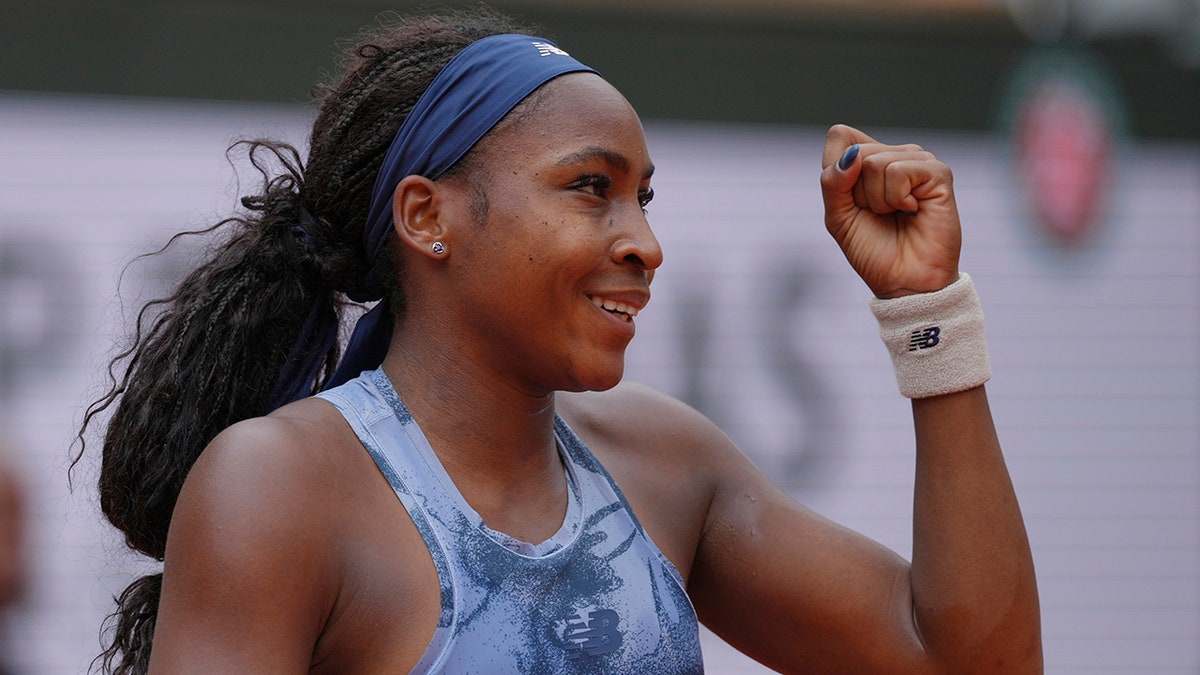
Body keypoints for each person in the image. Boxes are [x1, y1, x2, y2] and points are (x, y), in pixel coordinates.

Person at [77, 7, 1042, 674]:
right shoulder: (278, 486)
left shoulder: (668, 465)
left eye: (644, 196)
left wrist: (930, 312)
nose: (645, 242)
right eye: (592, 186)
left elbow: (967, 661)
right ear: (428, 216)